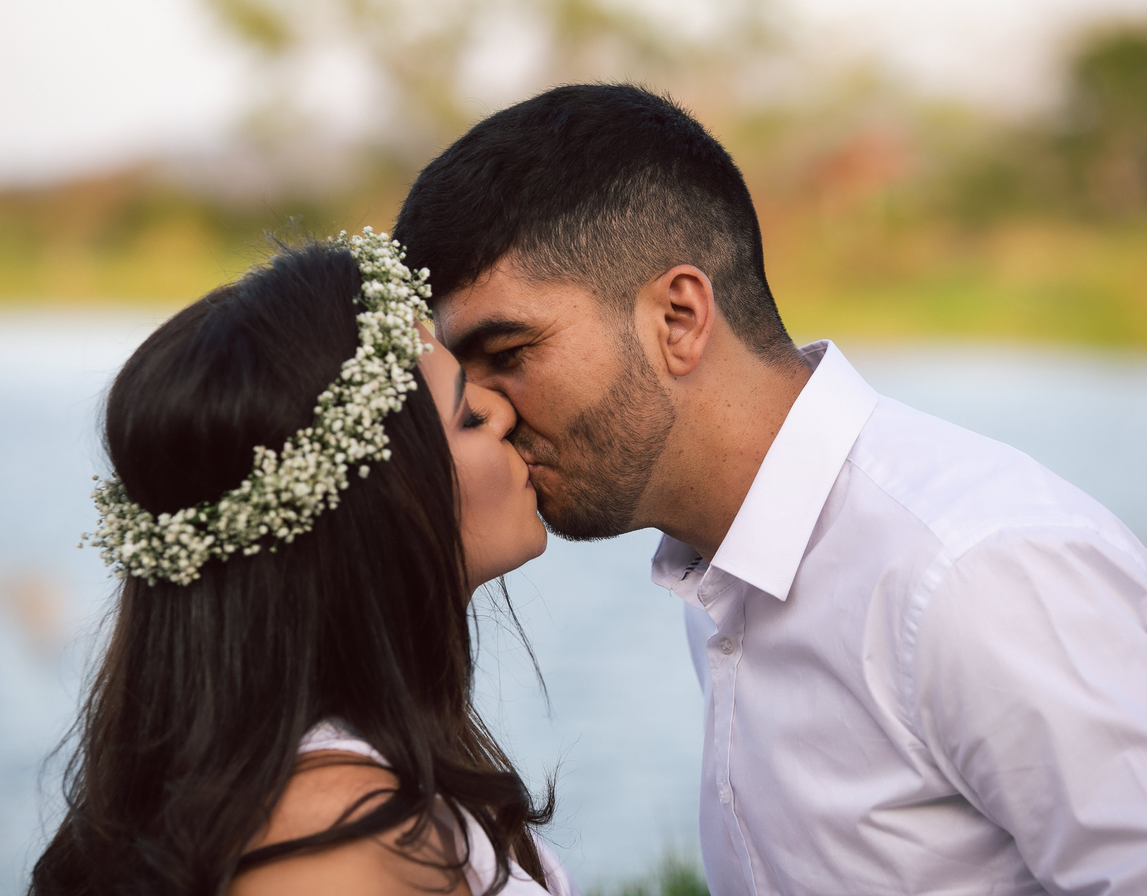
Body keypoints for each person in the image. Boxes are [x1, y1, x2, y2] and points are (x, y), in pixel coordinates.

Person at [392, 84, 1147, 895]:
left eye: (507, 352)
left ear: (677, 318)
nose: (488, 411)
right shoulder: (726, 565)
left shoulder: (971, 569)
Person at [30, 232, 578, 896]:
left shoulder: (337, 786)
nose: (502, 409)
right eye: (466, 414)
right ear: (373, 512)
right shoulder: (329, 843)